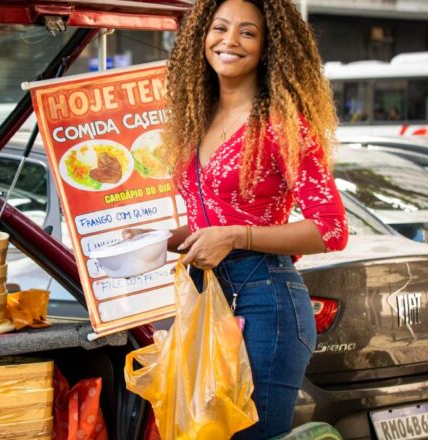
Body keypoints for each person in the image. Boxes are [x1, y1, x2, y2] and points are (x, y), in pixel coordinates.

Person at [124, 0, 348, 438]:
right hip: (210, 301)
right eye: (219, 28)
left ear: (269, 48)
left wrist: (235, 236)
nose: (229, 41)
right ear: (200, 39)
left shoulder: (283, 124)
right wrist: (165, 237)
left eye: (247, 32)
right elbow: (218, 218)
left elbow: (331, 229)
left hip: (267, 303)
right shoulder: (199, 120)